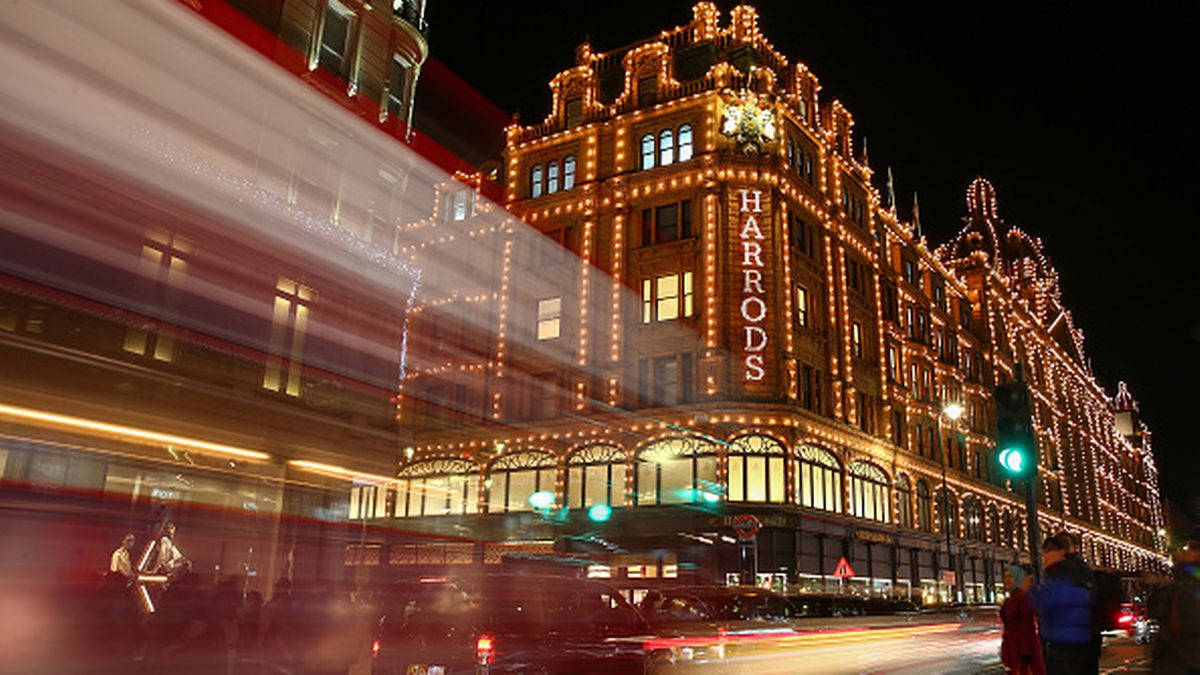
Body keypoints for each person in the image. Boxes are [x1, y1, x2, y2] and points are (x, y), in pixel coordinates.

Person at [1032, 534, 1097, 674]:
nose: (1045, 557)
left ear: (1061, 552)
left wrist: (1029, 591)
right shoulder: (1075, 570)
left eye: (1049, 552)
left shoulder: (1063, 572)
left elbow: (1050, 600)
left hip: (1065, 645)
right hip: (1075, 643)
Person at [1150, 529, 1200, 673]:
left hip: (1184, 660)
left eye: (1191, 548)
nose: (1184, 552)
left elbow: (1186, 624)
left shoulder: (1187, 585)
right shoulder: (1181, 582)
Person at [1001, 564, 1045, 674]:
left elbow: (1028, 625)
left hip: (1022, 649)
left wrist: (1026, 651)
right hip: (1012, 648)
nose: (1006, 580)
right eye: (1005, 576)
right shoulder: (1010, 600)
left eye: (1011, 576)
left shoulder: (1022, 598)